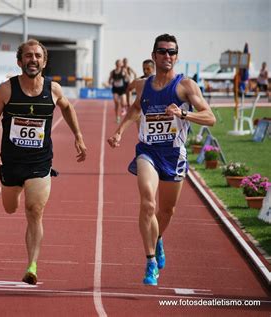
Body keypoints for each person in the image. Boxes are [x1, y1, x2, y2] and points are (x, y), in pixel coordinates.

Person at [107, 34, 216, 286]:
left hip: (174, 154)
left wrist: (184, 113)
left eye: (172, 52)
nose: (167, 56)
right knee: (147, 201)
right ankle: (151, 261)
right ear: (154, 55)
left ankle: (157, 239)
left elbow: (210, 117)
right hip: (148, 151)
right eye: (163, 51)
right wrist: (120, 132)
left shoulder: (185, 86)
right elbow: (136, 108)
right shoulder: (142, 85)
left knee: (167, 210)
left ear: (176, 56)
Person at [0, 39, 87, 285]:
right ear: (20, 61)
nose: (33, 60)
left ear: (44, 61)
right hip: (10, 162)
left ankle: (32, 265)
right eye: (28, 56)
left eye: (38, 56)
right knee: (10, 208)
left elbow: (68, 108)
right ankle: (16, 189)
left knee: (34, 211)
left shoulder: (53, 89)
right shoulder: (6, 89)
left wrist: (78, 136)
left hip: (40, 162)